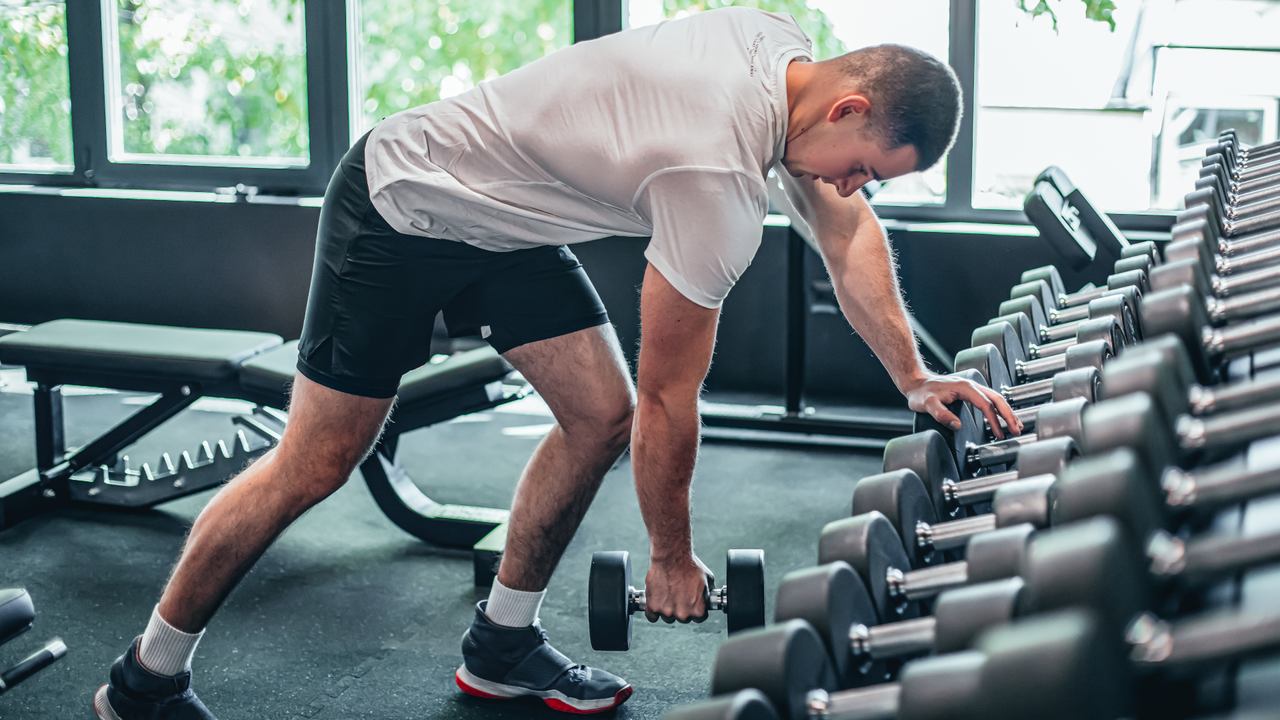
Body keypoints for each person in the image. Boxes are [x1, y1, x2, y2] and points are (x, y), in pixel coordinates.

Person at [93, 6, 1022, 719]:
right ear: (848, 105)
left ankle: (500, 645)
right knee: (319, 461)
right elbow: (671, 395)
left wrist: (913, 375)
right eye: (864, 164)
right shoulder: (711, 177)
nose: (855, 188)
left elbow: (844, 227)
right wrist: (668, 556)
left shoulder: (776, 42)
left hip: (508, 222)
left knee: (597, 416)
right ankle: (144, 679)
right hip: (403, 201)